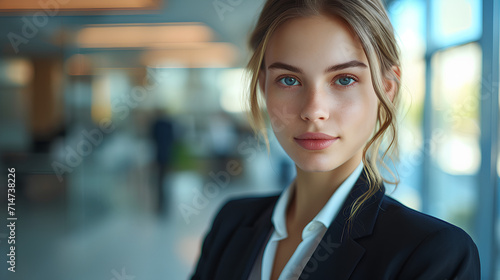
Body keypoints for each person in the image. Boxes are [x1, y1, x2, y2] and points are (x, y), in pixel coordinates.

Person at [190, 0, 481, 279]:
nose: (314, 111)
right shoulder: (231, 223)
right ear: (265, 87)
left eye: (344, 79)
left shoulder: (432, 254)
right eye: (289, 80)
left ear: (387, 89)